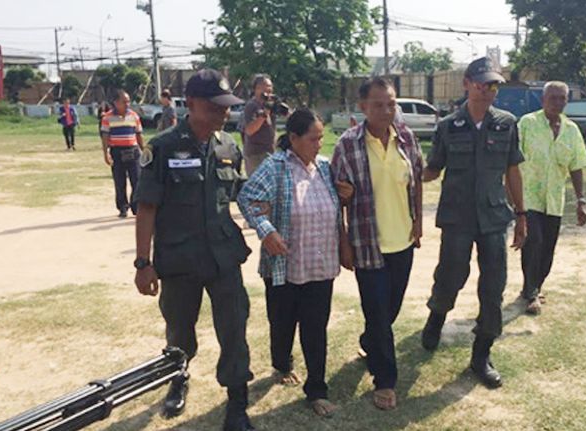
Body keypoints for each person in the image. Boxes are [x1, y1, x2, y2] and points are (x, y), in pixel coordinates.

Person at [133, 69, 255, 431]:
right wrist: (143, 262)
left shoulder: (227, 145)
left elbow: (242, 195)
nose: (225, 113)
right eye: (217, 107)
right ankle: (178, 377)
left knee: (234, 328)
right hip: (179, 258)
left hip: (223, 255)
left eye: (227, 107)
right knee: (180, 330)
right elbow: (147, 207)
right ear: (194, 104)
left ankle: (237, 401)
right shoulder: (163, 147)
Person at [420, 57, 526, 389]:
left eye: (493, 84)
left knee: (494, 285)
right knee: (451, 274)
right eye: (482, 83)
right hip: (457, 216)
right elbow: (433, 168)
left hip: (494, 216)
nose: (488, 90)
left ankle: (481, 353)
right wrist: (405, 175)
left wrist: (521, 215)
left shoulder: (507, 123)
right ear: (466, 83)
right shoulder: (448, 126)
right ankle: (437, 315)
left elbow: (512, 170)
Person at [237, 108, 341, 418]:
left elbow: (338, 204)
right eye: (313, 138)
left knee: (316, 328)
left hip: (320, 266)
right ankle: (282, 364)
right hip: (285, 266)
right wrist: (266, 231)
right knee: (282, 322)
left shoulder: (323, 168)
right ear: (293, 138)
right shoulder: (276, 166)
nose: (319, 144)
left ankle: (317, 389)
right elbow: (247, 198)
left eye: (322, 138)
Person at [331, 77, 423, 411]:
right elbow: (334, 198)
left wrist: (419, 222)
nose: (387, 111)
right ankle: (385, 380)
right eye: (379, 105)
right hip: (367, 243)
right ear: (363, 107)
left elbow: (417, 179)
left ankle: (369, 342)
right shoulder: (347, 145)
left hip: (403, 242)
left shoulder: (406, 137)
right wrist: (344, 243)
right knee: (379, 313)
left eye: (391, 104)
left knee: (389, 310)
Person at [517, 81, 586, 316]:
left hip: (554, 200)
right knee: (534, 241)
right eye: (553, 98)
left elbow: (576, 166)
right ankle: (532, 292)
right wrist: (511, 195)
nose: (557, 103)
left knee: (548, 247)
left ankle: (534, 286)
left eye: (562, 99)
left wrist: (581, 200)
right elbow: (513, 161)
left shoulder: (571, 130)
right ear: (543, 99)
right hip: (528, 197)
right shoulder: (527, 124)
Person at [100, 90, 145, 218]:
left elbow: (139, 134)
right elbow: (105, 137)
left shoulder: (134, 116)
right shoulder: (107, 117)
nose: (127, 104)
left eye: (128, 101)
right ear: (116, 103)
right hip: (117, 152)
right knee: (119, 182)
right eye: (124, 102)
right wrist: (105, 153)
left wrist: (144, 151)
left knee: (137, 180)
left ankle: (136, 206)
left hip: (133, 151)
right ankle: (123, 207)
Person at [242, 74, 276, 176]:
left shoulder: (270, 104)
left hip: (270, 152)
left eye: (270, 88)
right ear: (257, 89)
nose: (268, 90)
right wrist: (264, 115)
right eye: (265, 87)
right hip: (255, 154)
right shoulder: (252, 106)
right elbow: (249, 130)